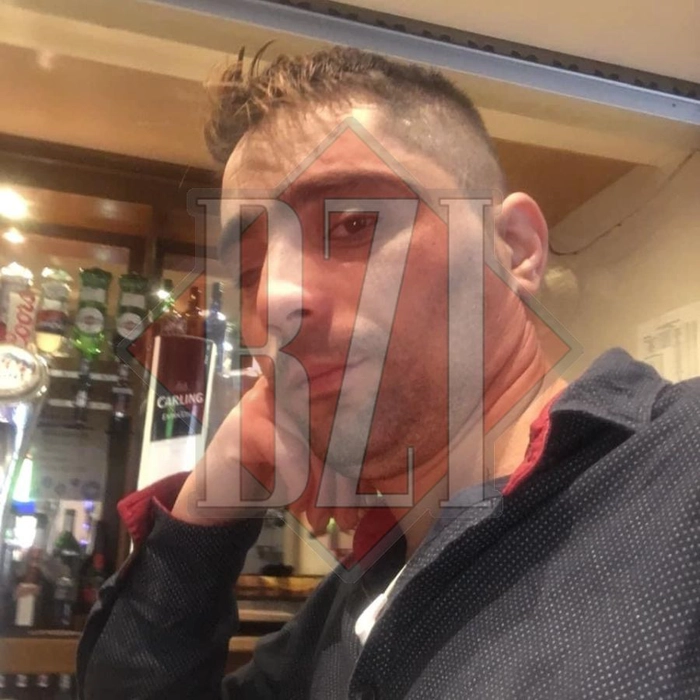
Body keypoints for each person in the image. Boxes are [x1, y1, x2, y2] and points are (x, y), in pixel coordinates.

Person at [78, 47, 700, 699]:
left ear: (514, 248)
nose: (275, 300)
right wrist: (212, 500)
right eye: (250, 272)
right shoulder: (342, 615)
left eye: (353, 223)